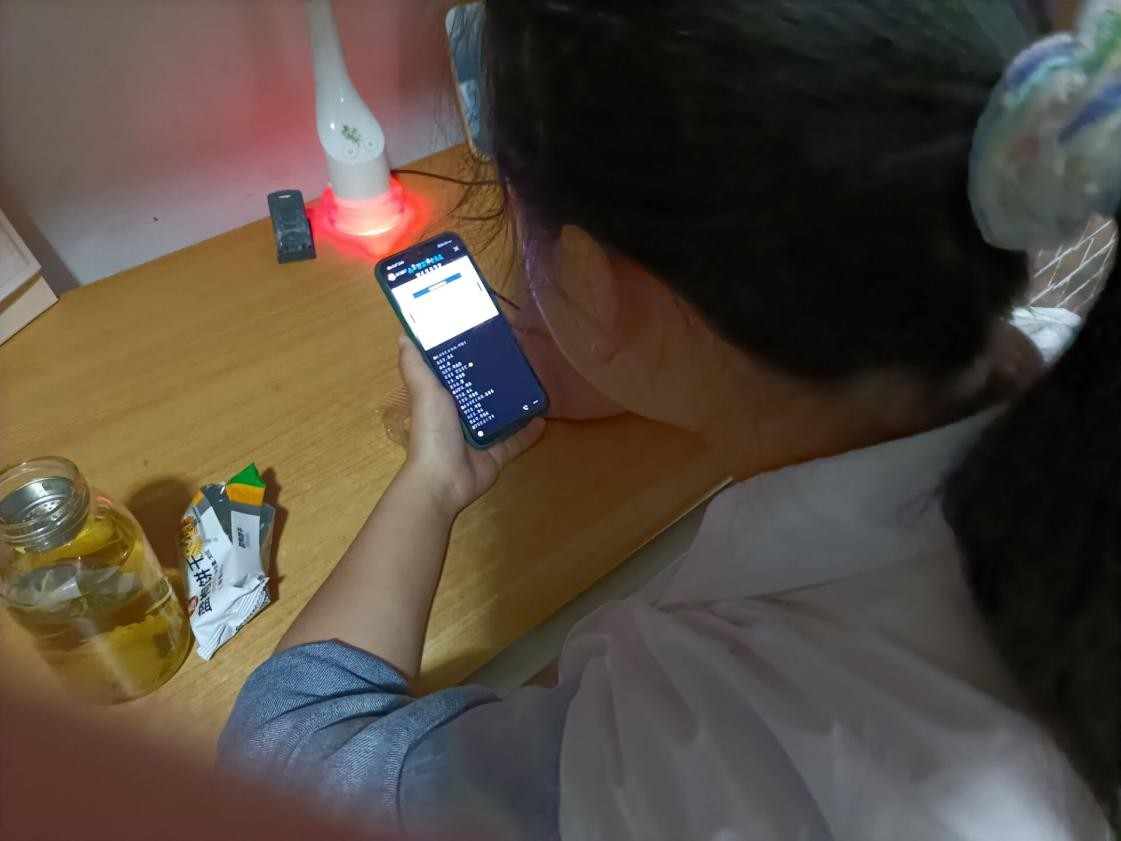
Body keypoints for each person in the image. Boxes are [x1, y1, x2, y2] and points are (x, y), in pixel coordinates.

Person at [220, 1, 1120, 838]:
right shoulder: (1055, 364)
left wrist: (432, 481)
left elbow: (281, 759)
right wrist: (647, 356)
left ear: (592, 278)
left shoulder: (694, 753)